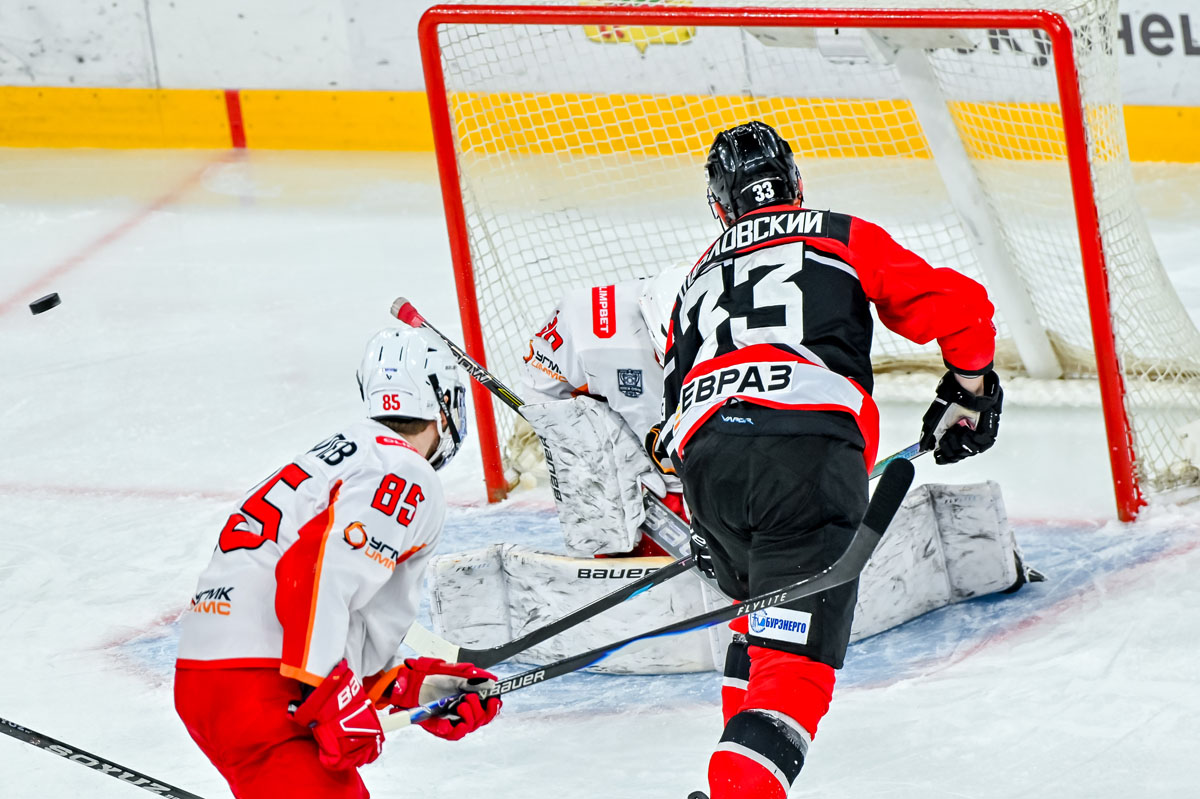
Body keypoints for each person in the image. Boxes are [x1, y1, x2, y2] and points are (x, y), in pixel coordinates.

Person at [650, 121, 1003, 799]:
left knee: (762, 620)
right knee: (795, 671)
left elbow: (669, 423)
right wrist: (970, 387)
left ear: (720, 207)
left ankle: (738, 786)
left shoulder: (694, 280)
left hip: (709, 467)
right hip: (806, 456)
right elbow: (959, 309)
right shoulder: (836, 232)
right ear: (796, 184)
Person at [174, 327, 502, 799]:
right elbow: (313, 578)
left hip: (209, 680)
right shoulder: (404, 470)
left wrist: (409, 686)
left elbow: (326, 606)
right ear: (445, 402)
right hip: (265, 686)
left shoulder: (339, 454)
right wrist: (328, 694)